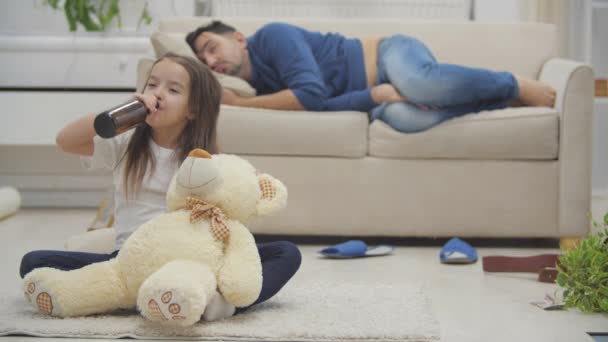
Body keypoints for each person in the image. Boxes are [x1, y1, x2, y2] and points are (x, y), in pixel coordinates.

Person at [19, 52, 301, 321]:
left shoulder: (206, 159)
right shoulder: (125, 144)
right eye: (152, 84)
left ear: (193, 109)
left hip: (190, 260)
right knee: (34, 262)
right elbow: (65, 141)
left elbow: (230, 209)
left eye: (173, 90)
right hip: (130, 260)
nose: (157, 93)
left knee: (286, 253)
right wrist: (113, 114)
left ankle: (220, 306)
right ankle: (147, 297)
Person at [186, 21, 556, 133]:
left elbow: (312, 97)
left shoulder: (273, 36)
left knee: (419, 84)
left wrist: (247, 105)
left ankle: (511, 83)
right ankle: (500, 101)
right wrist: (376, 98)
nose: (209, 58)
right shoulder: (266, 89)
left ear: (238, 38)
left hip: (388, 55)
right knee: (407, 118)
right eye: (202, 57)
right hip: (380, 96)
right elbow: (321, 107)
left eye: (211, 46)